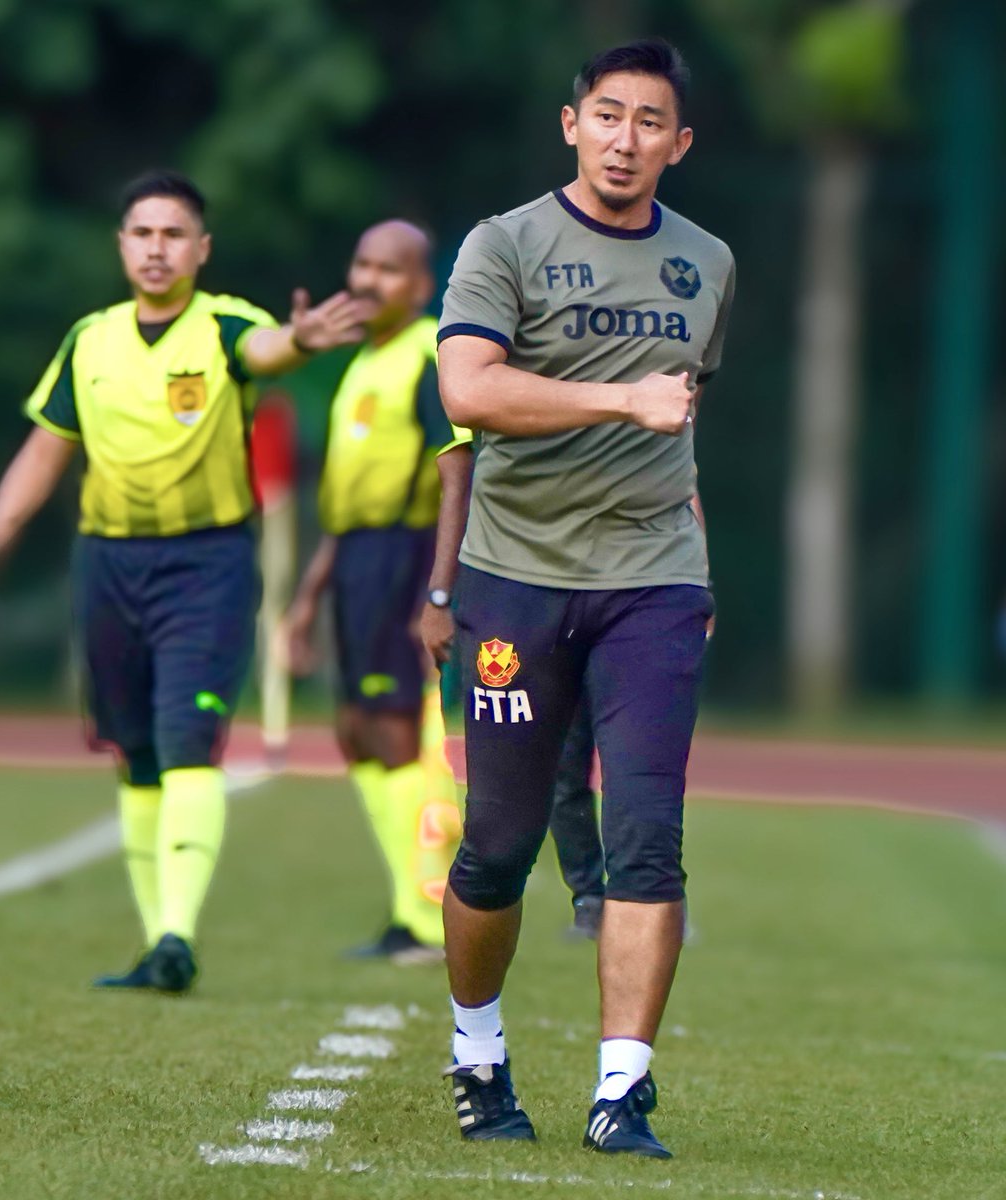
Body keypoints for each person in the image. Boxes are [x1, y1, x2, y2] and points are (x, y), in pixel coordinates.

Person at [0, 169, 373, 993]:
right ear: (121, 245)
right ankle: (156, 944)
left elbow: (268, 348)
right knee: (134, 749)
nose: (156, 249)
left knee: (186, 742)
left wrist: (308, 337)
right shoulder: (90, 341)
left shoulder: (222, 328)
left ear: (201, 250)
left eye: (173, 235)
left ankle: (178, 933)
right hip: (106, 562)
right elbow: (45, 449)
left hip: (206, 564)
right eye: (142, 233)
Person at [434, 39, 734, 1157]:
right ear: (573, 125)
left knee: (647, 837)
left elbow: (684, 419)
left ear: (680, 143)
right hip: (515, 580)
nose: (625, 139)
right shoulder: (503, 243)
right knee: (498, 847)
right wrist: (619, 401)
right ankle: (477, 1052)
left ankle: (624, 1091)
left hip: (654, 582)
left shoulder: (708, 262)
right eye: (607, 115)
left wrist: (698, 563)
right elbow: (469, 388)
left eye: (649, 122)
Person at [285, 220, 467, 965]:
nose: (366, 281)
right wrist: (306, 598)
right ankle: (405, 910)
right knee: (357, 732)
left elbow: (457, 472)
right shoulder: (363, 362)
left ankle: (429, 918)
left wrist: (440, 590)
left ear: (421, 286)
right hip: (357, 559)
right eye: (360, 264)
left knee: (399, 732)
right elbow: (344, 504)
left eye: (387, 270)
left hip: (407, 556)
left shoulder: (428, 356)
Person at [421, 445, 606, 941]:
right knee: (556, 772)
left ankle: (645, 895)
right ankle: (591, 897)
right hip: (528, 601)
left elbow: (680, 481)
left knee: (635, 769)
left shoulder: (624, 411)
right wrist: (442, 596)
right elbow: (460, 484)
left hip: (620, 597)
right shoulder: (502, 415)